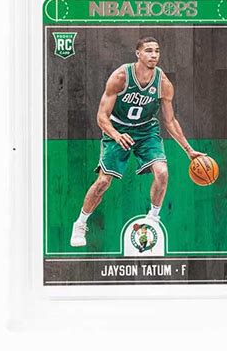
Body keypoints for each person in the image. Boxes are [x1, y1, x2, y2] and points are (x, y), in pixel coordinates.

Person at [70, 36, 205, 247]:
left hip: (146, 130)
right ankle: (80, 223)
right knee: (103, 182)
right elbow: (102, 117)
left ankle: (153, 218)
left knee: (162, 172)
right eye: (149, 50)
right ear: (138, 54)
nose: (154, 55)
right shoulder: (121, 77)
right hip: (118, 128)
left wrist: (189, 150)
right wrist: (116, 135)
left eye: (157, 51)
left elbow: (170, 121)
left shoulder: (163, 83)